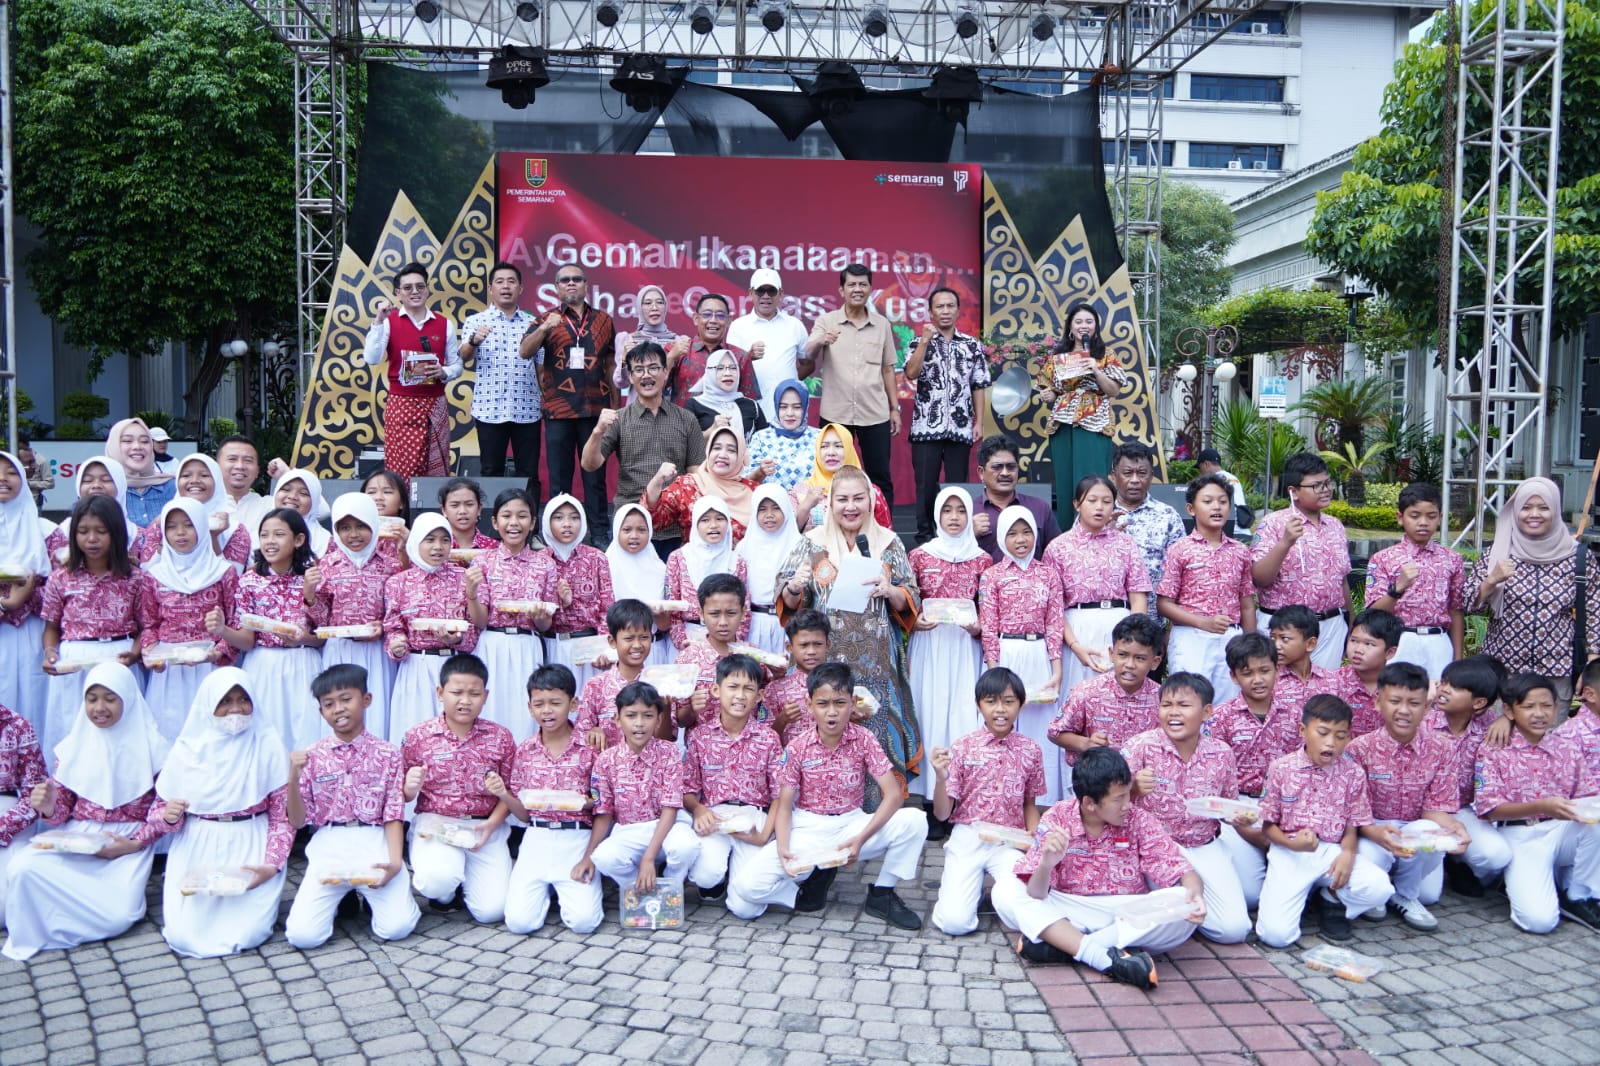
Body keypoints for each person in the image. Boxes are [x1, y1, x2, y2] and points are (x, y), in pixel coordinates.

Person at [729, 663, 928, 927]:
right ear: (810, 706)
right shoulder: (797, 748)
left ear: (852, 703)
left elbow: (893, 795)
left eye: (839, 703)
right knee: (745, 889)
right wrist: (784, 849)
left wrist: (860, 839)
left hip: (851, 824)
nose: (831, 712)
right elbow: (785, 805)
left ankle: (883, 893)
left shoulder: (864, 739)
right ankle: (802, 893)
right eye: (822, 704)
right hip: (808, 827)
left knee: (915, 820)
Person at [994, 746, 1203, 989]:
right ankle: (1103, 959)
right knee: (1006, 890)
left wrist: (1194, 890)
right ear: (1089, 803)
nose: (1127, 804)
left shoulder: (1139, 819)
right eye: (1118, 798)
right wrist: (1046, 865)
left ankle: (1066, 946)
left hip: (1126, 912)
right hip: (1068, 908)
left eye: (1127, 794)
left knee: (1184, 903)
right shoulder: (1057, 818)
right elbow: (1036, 894)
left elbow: (1176, 866)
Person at [1, 663, 168, 961]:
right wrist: (48, 805)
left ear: (127, 698)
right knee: (23, 867)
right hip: (78, 837)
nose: (99, 708)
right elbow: (60, 813)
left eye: (110, 698)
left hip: (126, 843)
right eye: (92, 699)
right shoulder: (71, 748)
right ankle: (41, 925)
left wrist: (135, 843)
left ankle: (63, 914)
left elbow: (164, 810)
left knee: (119, 915)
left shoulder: (155, 749)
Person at [776, 467, 922, 806]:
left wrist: (891, 591)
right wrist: (794, 588)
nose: (851, 506)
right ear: (830, 503)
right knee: (831, 733)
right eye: (842, 499)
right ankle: (831, 808)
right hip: (828, 662)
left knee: (876, 731)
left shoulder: (887, 542)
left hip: (877, 662)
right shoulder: (812, 544)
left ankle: (878, 812)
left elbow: (910, 596)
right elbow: (788, 599)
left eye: (858, 498)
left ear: (870, 501)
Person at [154, 669, 293, 958]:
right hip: (198, 846)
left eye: (244, 699)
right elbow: (161, 818)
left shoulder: (267, 743)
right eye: (225, 700)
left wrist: (272, 864)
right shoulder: (187, 749)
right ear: (208, 704)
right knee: (183, 935)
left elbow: (284, 816)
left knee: (249, 931)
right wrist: (169, 816)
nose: (236, 708)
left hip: (251, 841)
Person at [284, 664, 419, 949]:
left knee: (396, 927)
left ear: (366, 700)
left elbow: (393, 812)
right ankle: (341, 897)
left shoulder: (388, 753)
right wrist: (293, 778)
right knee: (302, 936)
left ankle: (375, 897)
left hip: (373, 840)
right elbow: (297, 821)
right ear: (321, 712)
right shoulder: (311, 755)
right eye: (329, 704)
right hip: (329, 843)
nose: (338, 709)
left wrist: (395, 862)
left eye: (346, 699)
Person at [1123, 673, 1253, 944]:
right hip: (1156, 847)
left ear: (1206, 712)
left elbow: (1228, 805)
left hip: (1206, 845)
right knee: (1178, 906)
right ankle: (1175, 907)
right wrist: (1133, 788)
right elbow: (1108, 803)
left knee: (1234, 930)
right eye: (1166, 705)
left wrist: (1237, 816)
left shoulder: (1221, 753)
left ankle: (1184, 910)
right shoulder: (1140, 746)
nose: (1173, 713)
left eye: (1183, 705)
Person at [1254, 695, 1393, 947]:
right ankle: (1300, 896)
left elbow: (1352, 824)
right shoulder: (1281, 768)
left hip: (1330, 851)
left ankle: (1331, 897)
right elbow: (1268, 826)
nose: (1331, 742)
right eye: (1323, 732)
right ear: (1303, 730)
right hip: (1290, 852)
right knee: (1275, 936)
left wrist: (1348, 855)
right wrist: (1293, 844)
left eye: (1340, 736)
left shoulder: (1353, 773)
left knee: (1379, 888)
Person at [1346, 663, 1470, 932]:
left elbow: (1434, 809)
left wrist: (1454, 827)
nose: (1404, 711)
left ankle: (1404, 895)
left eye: (1414, 703)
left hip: (1415, 830)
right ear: (1378, 702)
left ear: (1426, 708)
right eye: (1395, 701)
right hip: (1373, 830)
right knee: (1369, 859)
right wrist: (1376, 833)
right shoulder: (1359, 749)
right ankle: (1382, 888)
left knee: (1429, 889)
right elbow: (1355, 812)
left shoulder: (1442, 748)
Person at [1474, 672, 1600, 932]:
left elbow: (1588, 797)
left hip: (1562, 829)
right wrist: (1542, 806)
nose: (1539, 713)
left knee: (1596, 823)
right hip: (1520, 834)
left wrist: (1571, 810)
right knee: (1539, 922)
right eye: (1529, 706)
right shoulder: (1495, 748)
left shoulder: (1566, 746)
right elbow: (1490, 809)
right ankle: (1511, 882)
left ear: (1557, 707)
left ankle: (1579, 895)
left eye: (1546, 705)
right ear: (1509, 710)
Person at [928, 667, 1046, 936]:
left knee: (1023, 913)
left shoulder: (1031, 750)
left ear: (1021, 704)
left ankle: (994, 894)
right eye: (991, 701)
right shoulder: (962, 747)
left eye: (1008, 701)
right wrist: (940, 776)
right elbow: (943, 813)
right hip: (969, 836)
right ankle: (968, 890)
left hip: (1009, 840)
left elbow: (1030, 803)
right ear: (979, 704)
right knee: (955, 923)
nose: (1000, 709)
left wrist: (1034, 838)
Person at [489, 664, 605, 936]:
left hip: (577, 838)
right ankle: (545, 890)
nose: (547, 711)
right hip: (536, 838)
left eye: (556, 703)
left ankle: (568, 890)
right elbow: (524, 815)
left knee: (584, 922)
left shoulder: (590, 749)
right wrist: (503, 794)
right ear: (530, 708)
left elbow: (603, 806)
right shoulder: (525, 750)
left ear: (573, 703)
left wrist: (589, 855)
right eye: (539, 704)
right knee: (519, 923)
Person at [401, 653, 515, 923]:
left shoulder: (500, 737)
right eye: (457, 692)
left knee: (492, 911)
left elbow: (510, 791)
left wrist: (491, 825)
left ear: (485, 696)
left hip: (483, 827)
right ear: (440, 693)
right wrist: (409, 788)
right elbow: (401, 794)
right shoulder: (418, 736)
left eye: (474, 693)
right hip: (436, 824)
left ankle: (467, 880)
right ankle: (445, 895)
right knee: (436, 881)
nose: (465, 701)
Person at [1469, 477, 1600, 702]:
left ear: (1556, 510)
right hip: (1503, 670)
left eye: (1543, 508)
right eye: (1526, 508)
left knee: (1548, 736)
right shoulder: (1498, 552)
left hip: (1555, 671)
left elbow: (1594, 613)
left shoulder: (1578, 557)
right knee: (1499, 735)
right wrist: (1492, 580)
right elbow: (1468, 604)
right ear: (1516, 511)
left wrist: (1591, 665)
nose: (1534, 514)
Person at [208, 508, 325, 752]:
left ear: (298, 539)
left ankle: (300, 788)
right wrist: (223, 630)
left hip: (304, 663)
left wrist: (305, 635)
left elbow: (323, 635)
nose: (270, 541)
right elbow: (248, 640)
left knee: (305, 731)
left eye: (279, 534)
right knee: (266, 733)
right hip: (263, 664)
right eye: (264, 535)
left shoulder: (311, 578)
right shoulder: (250, 581)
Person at [41, 496, 145, 758]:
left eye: (101, 531)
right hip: (73, 663)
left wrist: (134, 652)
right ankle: (70, 794)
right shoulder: (60, 578)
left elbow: (146, 626)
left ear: (116, 532)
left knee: (121, 736)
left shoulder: (135, 577)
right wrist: (51, 653)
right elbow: (52, 626)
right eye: (83, 532)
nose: (91, 540)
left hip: (118, 658)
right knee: (72, 732)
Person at [582, 342, 708, 555]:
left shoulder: (687, 419)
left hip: (676, 526)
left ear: (665, 372)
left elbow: (697, 472)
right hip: (632, 523)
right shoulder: (619, 419)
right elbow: (589, 464)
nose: (646, 375)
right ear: (630, 377)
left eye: (653, 368)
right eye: (639, 370)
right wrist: (597, 432)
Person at [907, 487, 989, 808]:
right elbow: (907, 601)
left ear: (970, 516)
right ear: (937, 515)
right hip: (929, 644)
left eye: (960, 511)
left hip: (964, 647)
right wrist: (913, 621)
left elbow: (988, 607)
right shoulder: (920, 556)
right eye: (947, 511)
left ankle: (957, 800)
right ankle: (930, 801)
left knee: (962, 714)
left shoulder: (982, 559)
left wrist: (978, 625)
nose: (954, 518)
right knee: (929, 710)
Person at [682, 655, 785, 906]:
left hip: (753, 816)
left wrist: (764, 835)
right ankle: (717, 877)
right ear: (716, 690)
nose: (740, 696)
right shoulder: (699, 736)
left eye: (748, 689)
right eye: (733, 687)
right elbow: (686, 788)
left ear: (759, 696)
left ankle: (769, 881)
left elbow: (780, 795)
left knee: (745, 908)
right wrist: (699, 809)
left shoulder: (768, 738)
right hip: (715, 815)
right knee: (706, 876)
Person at [522, 264, 615, 535]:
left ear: (586, 285)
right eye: (565, 280)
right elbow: (524, 352)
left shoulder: (604, 320)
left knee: (594, 477)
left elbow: (610, 365)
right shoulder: (546, 319)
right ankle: (558, 536)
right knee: (560, 479)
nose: (571, 284)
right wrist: (543, 330)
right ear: (557, 288)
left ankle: (599, 535)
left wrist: (616, 406)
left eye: (576, 279)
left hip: (595, 411)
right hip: (559, 411)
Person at [980, 506, 1065, 801]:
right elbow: (989, 625)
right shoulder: (992, 576)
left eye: (1026, 531)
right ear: (1002, 537)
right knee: (1003, 724)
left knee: (1040, 726)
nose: (1020, 539)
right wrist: (993, 670)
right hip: (1007, 655)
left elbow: (1055, 622)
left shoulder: (1049, 575)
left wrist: (1056, 670)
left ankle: (1042, 801)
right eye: (1013, 533)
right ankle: (1001, 798)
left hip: (1038, 652)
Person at [588, 681, 703, 896]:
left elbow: (671, 808)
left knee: (686, 846)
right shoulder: (606, 761)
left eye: (647, 716)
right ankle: (639, 889)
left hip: (667, 826)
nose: (639, 723)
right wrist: (588, 855)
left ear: (659, 720)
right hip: (629, 830)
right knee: (603, 857)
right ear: (617, 720)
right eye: (631, 716)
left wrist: (649, 858)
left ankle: (671, 886)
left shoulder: (669, 753)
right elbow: (603, 812)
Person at [1043, 475, 1151, 698]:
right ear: (1076, 504)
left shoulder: (1125, 544)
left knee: (1120, 695)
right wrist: (1074, 645)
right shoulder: (1058, 547)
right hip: (1076, 629)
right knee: (1078, 696)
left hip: (1120, 626)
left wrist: (1133, 637)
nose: (1099, 507)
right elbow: (1053, 607)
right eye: (1092, 500)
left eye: (1106, 501)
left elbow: (1138, 596)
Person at [138, 499, 238, 738]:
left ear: (202, 528)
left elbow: (236, 620)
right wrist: (150, 651)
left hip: (210, 666)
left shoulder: (223, 571)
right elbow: (149, 624)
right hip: (169, 671)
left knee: (212, 735)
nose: (180, 533)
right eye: (171, 527)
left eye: (188, 525)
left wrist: (219, 651)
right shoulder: (155, 575)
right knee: (171, 735)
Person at [466, 489, 559, 744]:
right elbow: (481, 621)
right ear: (495, 522)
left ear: (532, 522)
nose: (514, 523)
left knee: (525, 711)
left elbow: (545, 623)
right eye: (506, 516)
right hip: (492, 644)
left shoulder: (545, 564)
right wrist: (471, 595)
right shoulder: (483, 561)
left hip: (527, 645)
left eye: (522, 516)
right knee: (492, 707)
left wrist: (540, 616)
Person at [804, 264, 900, 508]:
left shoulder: (882, 325)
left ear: (870, 289)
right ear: (841, 290)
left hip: (874, 413)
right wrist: (821, 340)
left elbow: (888, 369)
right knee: (832, 475)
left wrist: (894, 409)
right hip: (836, 413)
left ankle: (883, 530)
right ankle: (831, 527)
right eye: (852, 285)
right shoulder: (827, 321)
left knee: (879, 477)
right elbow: (809, 352)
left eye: (863, 284)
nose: (857, 289)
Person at [1156, 475, 1256, 702]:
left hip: (1232, 638)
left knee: (1228, 706)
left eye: (1222, 501)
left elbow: (1247, 604)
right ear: (1191, 508)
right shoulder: (1179, 550)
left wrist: (1250, 646)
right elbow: (1164, 604)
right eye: (1208, 501)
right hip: (1192, 637)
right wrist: (1204, 622)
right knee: (1190, 702)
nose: (1216, 507)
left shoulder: (1240, 551)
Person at [361, 261, 464, 481]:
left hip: (435, 404)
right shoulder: (388, 322)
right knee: (403, 470)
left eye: (420, 286)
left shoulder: (444, 324)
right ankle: (404, 513)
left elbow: (457, 365)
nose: (415, 292)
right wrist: (378, 320)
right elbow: (371, 358)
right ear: (398, 293)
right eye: (408, 288)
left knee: (437, 469)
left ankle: (433, 513)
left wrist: (443, 372)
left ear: (428, 289)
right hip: (402, 404)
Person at [311, 493, 402, 740]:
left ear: (374, 524)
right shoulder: (326, 565)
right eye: (345, 528)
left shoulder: (390, 565)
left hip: (376, 652)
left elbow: (396, 612)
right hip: (338, 649)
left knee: (376, 709)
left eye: (361, 526)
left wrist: (382, 628)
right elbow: (319, 618)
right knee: (340, 710)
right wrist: (310, 594)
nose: (354, 535)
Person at [1251, 453, 1352, 671]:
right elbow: (1258, 578)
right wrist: (1285, 542)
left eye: (1327, 483)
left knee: (1324, 696)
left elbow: (1342, 580)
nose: (1325, 489)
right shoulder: (1273, 523)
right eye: (1316, 485)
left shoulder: (1335, 526)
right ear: (1293, 491)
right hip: (1284, 630)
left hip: (1330, 627)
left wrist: (1350, 624)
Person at [905, 286, 990, 544]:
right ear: (930, 311)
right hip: (926, 428)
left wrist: (979, 421)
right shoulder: (916, 341)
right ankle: (925, 537)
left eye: (949, 306)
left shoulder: (971, 345)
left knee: (957, 486)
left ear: (957, 310)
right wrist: (924, 342)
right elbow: (911, 373)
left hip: (960, 426)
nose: (945, 311)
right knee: (926, 486)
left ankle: (955, 536)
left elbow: (978, 384)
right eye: (939, 306)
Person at [1034, 302, 1127, 532]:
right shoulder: (1058, 355)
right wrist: (1048, 394)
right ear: (1070, 326)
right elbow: (1048, 389)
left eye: (1089, 321)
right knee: (1066, 485)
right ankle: (1068, 536)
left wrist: (1095, 369)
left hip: (1094, 423)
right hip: (1063, 423)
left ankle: (1096, 533)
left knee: (1091, 480)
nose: (1083, 326)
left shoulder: (1105, 355)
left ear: (1096, 326)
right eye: (1078, 321)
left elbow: (1113, 390)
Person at [383, 515, 477, 742]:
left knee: (454, 736)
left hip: (453, 666)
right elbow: (392, 626)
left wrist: (455, 640)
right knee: (414, 730)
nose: (438, 547)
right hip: (415, 666)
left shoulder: (462, 578)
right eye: (430, 540)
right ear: (416, 541)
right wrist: (397, 646)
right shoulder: (398, 583)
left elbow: (473, 630)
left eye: (445, 540)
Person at [1048, 615, 1165, 789]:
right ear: (1111, 654)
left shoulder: (1163, 700)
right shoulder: (1087, 692)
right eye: (1123, 655)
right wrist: (1086, 744)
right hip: (1096, 788)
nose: (1129, 664)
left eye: (1140, 658)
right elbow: (1055, 732)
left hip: (1145, 788)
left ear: (1155, 662)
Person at [1428, 656, 1512, 897]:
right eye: (1444, 682)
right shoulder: (1422, 720)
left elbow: (1523, 710)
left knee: (1496, 856)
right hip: (1421, 812)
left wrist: (1507, 719)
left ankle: (1457, 864)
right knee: (1428, 895)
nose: (1443, 689)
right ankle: (1441, 863)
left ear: (1479, 703)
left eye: (1454, 687)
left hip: (1461, 808)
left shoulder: (1489, 727)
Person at [1363, 483, 1465, 678]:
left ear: (1440, 518)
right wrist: (1398, 589)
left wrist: (1457, 660)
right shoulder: (1383, 558)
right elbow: (1372, 613)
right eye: (1415, 516)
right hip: (1400, 641)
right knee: (1397, 698)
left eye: (1431, 516)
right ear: (1400, 518)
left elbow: (1456, 610)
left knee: (1438, 701)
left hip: (1438, 641)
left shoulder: (1452, 559)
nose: (1423, 522)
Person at [463, 261, 541, 502]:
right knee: (490, 471)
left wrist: (547, 400)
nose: (505, 286)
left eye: (511, 281)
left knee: (528, 473)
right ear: (490, 288)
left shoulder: (533, 323)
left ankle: (531, 530)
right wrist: (474, 340)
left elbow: (540, 366)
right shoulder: (476, 321)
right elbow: (464, 357)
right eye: (500, 282)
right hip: (489, 409)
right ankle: (490, 529)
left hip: (527, 409)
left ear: (521, 288)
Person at [538, 494, 613, 693]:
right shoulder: (540, 561)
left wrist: (605, 648)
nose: (567, 524)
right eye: (559, 518)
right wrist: (561, 601)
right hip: (552, 644)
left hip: (590, 648)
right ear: (546, 522)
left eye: (574, 517)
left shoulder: (596, 558)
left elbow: (608, 608)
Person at [671, 574, 759, 735]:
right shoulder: (688, 660)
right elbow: (679, 719)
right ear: (701, 613)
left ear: (743, 611)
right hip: (702, 754)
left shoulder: (755, 657)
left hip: (748, 752)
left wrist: (778, 676)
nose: (723, 622)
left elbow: (763, 709)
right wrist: (692, 709)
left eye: (731, 613)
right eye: (714, 614)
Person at [0, 451, 50, 732]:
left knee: (35, 702)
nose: (2, 479)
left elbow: (64, 589)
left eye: (11, 472)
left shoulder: (45, 531)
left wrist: (29, 596)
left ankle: (36, 773)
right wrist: (6, 604)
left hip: (34, 632)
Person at [645, 425, 759, 544]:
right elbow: (653, 521)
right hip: (696, 562)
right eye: (716, 448)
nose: (722, 455)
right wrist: (657, 481)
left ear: (740, 456)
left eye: (731, 450)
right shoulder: (687, 486)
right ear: (708, 451)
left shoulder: (753, 490)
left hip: (742, 562)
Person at [664, 500, 751, 653]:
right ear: (696, 524)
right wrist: (683, 643)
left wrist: (733, 644)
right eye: (705, 520)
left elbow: (745, 609)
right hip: (688, 641)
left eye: (719, 519)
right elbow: (672, 609)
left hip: (727, 642)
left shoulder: (737, 561)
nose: (713, 525)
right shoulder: (678, 558)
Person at [1109, 442, 1184, 618]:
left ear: (1151, 476)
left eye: (1142, 473)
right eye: (1127, 473)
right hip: (1106, 619)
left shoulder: (1168, 516)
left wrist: (1171, 626)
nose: (1135, 480)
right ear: (1114, 476)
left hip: (1155, 620)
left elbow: (1182, 573)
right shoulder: (1097, 514)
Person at [575, 600, 661, 750]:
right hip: (607, 769)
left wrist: (665, 707)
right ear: (612, 641)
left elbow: (667, 736)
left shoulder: (659, 683)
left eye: (644, 637)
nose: (637, 645)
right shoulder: (596, 686)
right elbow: (581, 733)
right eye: (628, 638)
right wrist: (592, 732)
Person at [728, 269, 809, 424]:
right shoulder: (738, 326)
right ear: (751, 293)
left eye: (771, 291)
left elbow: (807, 364)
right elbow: (730, 369)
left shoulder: (795, 325)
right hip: (751, 410)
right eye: (760, 291)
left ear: (781, 294)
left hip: (788, 413)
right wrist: (748, 357)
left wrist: (788, 383)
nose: (765, 296)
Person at [971, 434, 1061, 562]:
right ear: (981, 473)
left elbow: (1057, 555)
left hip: (1032, 580)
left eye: (1011, 467)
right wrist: (968, 535)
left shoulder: (1039, 508)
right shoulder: (968, 512)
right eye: (997, 467)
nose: (1005, 473)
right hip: (985, 581)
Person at [737, 483, 803, 656]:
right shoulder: (744, 547)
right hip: (752, 624)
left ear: (786, 510)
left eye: (776, 508)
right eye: (762, 509)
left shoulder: (799, 546)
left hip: (787, 624)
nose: (769, 515)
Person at [791, 423, 892, 533]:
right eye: (824, 446)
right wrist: (806, 506)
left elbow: (885, 537)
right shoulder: (800, 491)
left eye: (838, 446)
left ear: (849, 449)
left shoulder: (870, 491)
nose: (831, 453)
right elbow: (786, 537)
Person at [604, 506, 673, 666]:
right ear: (616, 531)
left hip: (654, 650)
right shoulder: (606, 567)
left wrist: (660, 617)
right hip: (618, 654)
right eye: (627, 530)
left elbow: (666, 624)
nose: (634, 536)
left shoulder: (660, 569)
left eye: (641, 530)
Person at [668, 293, 757, 407]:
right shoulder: (678, 351)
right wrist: (670, 358)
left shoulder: (740, 357)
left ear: (729, 320)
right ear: (696, 318)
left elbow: (749, 404)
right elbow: (655, 389)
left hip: (726, 424)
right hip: (683, 424)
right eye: (707, 314)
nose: (713, 320)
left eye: (720, 315)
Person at [0, 698, 46, 916]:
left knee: (6, 906)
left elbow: (35, 796)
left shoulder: (17, 726)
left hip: (9, 819)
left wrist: (3, 827)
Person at [761, 609, 832, 747]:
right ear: (790, 647)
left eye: (817, 644)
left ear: (827, 645)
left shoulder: (839, 685)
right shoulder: (776, 689)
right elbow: (762, 740)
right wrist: (782, 720)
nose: (811, 651)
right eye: (804, 645)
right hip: (788, 765)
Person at [1334, 608, 1402, 738]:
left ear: (1390, 652)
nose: (1358, 649)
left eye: (1369, 644)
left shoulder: (1401, 686)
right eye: (1353, 641)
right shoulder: (1331, 683)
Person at [744, 379, 822, 491]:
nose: (789, 413)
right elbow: (746, 483)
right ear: (776, 407)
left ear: (805, 407)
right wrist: (760, 472)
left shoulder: (819, 437)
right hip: (771, 507)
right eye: (783, 407)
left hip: (812, 506)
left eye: (796, 407)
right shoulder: (761, 438)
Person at [613, 284, 689, 396]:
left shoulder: (678, 342)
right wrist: (625, 359)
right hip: (638, 409)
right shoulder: (628, 340)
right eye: (648, 303)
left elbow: (683, 384)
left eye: (659, 302)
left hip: (671, 409)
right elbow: (621, 383)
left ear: (666, 307)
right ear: (639, 307)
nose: (655, 307)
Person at [1269, 605, 1339, 716]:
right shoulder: (1269, 681)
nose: (1276, 645)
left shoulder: (1332, 681)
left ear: (1310, 644)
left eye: (1284, 639)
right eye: (1272, 638)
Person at [105, 417, 176, 527]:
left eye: (144, 441)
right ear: (113, 446)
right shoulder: (102, 491)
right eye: (127, 441)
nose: (137, 446)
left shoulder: (172, 487)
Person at [686, 349, 768, 442]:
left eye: (733, 368)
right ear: (710, 372)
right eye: (720, 368)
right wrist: (710, 431)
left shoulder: (752, 405)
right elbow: (684, 444)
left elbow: (766, 441)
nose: (728, 373)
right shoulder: (694, 405)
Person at [214, 436, 269, 543]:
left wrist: (284, 474)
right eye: (232, 459)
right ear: (216, 466)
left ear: (257, 470)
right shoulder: (204, 506)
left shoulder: (269, 506)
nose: (240, 466)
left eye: (248, 460)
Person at [269, 468, 333, 557]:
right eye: (286, 489)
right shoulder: (259, 533)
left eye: (303, 493)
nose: (292, 496)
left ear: (314, 502)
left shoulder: (325, 541)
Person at [1195, 448, 1252, 531]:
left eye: (1200, 467)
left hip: (1227, 531)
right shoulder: (1233, 478)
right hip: (1244, 529)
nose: (1201, 472)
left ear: (1206, 464)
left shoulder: (1210, 481)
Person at [438, 477, 497, 556]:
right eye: (455, 505)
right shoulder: (437, 547)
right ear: (444, 510)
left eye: (469, 504)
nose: (462, 511)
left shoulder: (494, 548)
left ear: (479, 509)